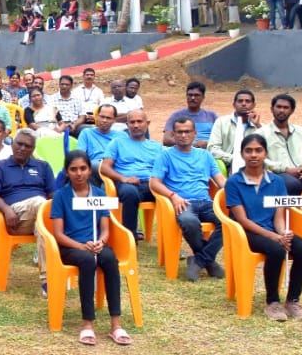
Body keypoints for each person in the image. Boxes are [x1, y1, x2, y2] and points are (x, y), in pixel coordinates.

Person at [224, 133, 302, 321]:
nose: (254, 155)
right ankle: (273, 302)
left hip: (273, 231)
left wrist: (283, 232)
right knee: (275, 250)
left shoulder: (276, 181)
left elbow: (278, 217)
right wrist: (274, 237)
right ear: (242, 154)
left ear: (266, 153)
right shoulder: (234, 182)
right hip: (248, 233)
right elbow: (242, 220)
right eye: (248, 151)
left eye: (258, 150)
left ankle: (292, 301)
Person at [48, 150, 130, 345]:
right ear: (66, 172)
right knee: (86, 261)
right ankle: (87, 324)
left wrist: (101, 241)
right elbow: (59, 234)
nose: (79, 173)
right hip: (71, 247)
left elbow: (105, 229)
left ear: (89, 170)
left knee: (110, 259)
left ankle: (116, 324)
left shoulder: (100, 194)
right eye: (73, 169)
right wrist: (81, 246)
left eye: (83, 168)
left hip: (94, 244)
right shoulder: (61, 196)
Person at [150, 116, 226, 281]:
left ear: (194, 134)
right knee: (189, 221)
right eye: (179, 132)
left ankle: (199, 260)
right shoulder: (166, 156)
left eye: (187, 132)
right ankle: (210, 262)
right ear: (174, 134)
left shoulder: (205, 155)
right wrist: (173, 196)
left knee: (229, 221)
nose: (183, 135)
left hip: (206, 202)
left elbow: (221, 181)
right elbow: (154, 182)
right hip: (182, 202)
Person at [0, 129, 55, 281]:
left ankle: (47, 281)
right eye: (19, 144)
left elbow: (54, 195)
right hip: (14, 218)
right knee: (41, 205)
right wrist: (6, 210)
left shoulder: (43, 166)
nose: (22, 148)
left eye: (27, 146)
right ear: (12, 144)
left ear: (33, 149)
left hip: (38, 218)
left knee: (44, 230)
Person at [100, 110, 165, 240]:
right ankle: (130, 240)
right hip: (126, 184)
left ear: (147, 123)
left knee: (172, 194)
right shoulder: (117, 143)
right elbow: (104, 167)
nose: (136, 125)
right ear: (127, 124)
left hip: (151, 184)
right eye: (132, 122)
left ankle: (170, 239)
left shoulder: (157, 147)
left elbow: (165, 169)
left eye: (139, 121)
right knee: (130, 193)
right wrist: (124, 178)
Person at [260, 94, 302, 196]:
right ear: (272, 109)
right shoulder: (262, 133)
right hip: (275, 174)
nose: (281, 110)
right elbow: (259, 159)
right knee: (292, 184)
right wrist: (286, 169)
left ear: (292, 110)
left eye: (286, 107)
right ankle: (287, 212)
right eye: (278, 107)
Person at [208, 89, 262, 174]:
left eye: (247, 101)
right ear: (234, 104)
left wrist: (258, 126)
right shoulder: (221, 122)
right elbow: (212, 149)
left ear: (253, 105)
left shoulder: (260, 126)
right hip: (227, 164)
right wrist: (235, 159)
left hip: (253, 165)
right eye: (240, 101)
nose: (243, 104)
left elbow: (269, 150)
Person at [166, 82, 217, 147]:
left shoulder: (212, 116)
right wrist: (190, 144)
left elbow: (221, 139)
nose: (193, 98)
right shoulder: (176, 116)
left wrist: (207, 144)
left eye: (196, 95)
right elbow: (166, 140)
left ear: (203, 97)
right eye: (190, 95)